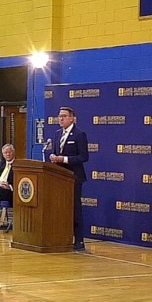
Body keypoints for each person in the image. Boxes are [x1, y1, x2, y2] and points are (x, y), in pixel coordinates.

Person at [49, 106, 89, 252]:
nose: (61, 119)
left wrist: (64, 159)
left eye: (64, 116)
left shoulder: (79, 134)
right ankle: (62, 237)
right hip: (59, 177)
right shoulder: (57, 134)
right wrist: (53, 157)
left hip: (74, 177)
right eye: (59, 116)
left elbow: (84, 157)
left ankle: (79, 240)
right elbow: (55, 152)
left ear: (72, 118)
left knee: (75, 208)